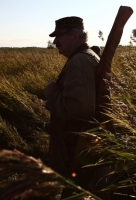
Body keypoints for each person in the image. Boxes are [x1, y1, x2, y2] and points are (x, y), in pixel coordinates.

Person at [43, 16, 105, 197]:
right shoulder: (88, 57)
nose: (55, 41)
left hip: (75, 150)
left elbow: (78, 109)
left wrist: (51, 94)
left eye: (59, 36)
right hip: (80, 147)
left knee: (73, 193)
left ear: (75, 37)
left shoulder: (79, 61)